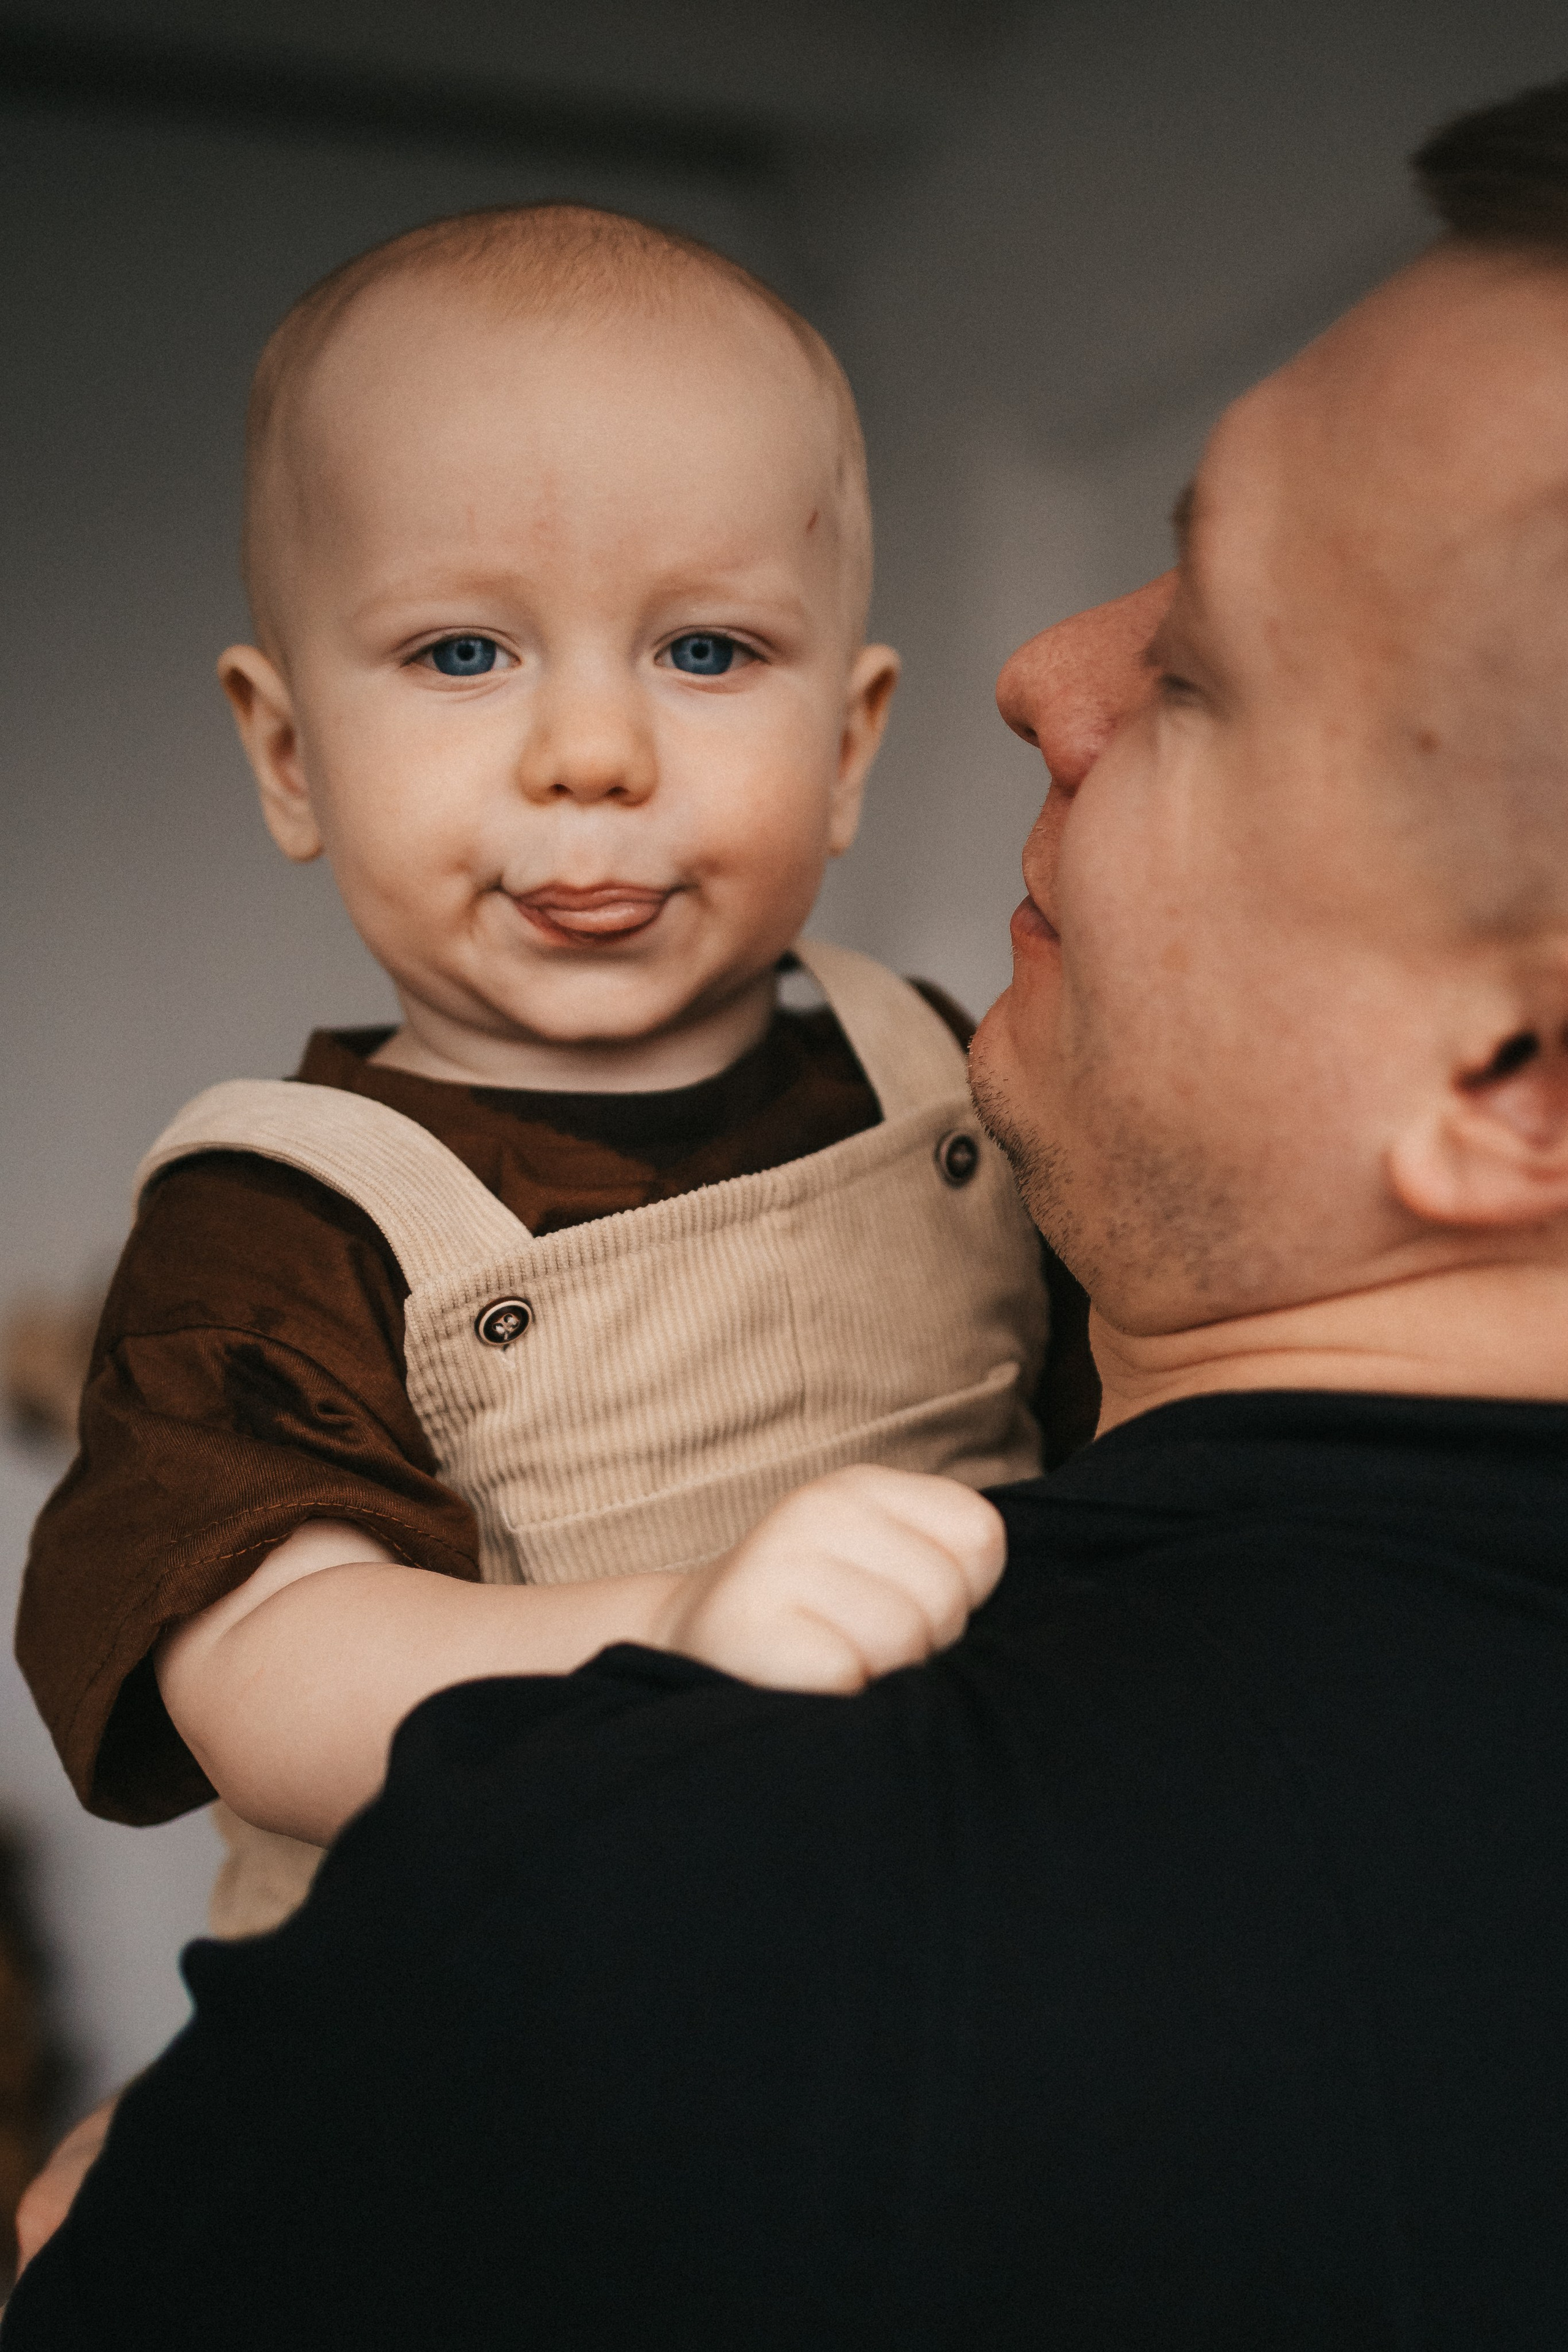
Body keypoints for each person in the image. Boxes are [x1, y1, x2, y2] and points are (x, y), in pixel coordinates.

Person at [12, 73, 1568, 2346]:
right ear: (282, 749)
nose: (590, 757)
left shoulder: (914, 1074)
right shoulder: (291, 1216)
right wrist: (678, 1622)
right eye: (464, 654)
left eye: (1206, 664)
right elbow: (255, 1664)